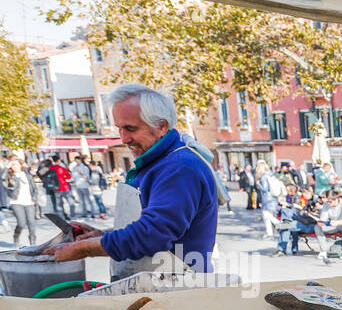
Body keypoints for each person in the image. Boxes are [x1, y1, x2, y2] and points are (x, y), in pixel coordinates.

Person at [45, 84, 219, 272]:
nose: (124, 138)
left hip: (180, 284)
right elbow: (146, 225)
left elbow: (153, 234)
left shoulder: (179, 167)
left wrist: (85, 248)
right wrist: (101, 236)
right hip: (157, 282)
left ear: (161, 126)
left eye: (130, 128)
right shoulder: (158, 162)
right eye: (119, 129)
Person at [5, 157, 39, 246]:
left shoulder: (27, 175)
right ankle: (16, 236)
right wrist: (7, 167)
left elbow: (34, 188)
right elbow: (2, 178)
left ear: (21, 165)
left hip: (29, 202)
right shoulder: (10, 176)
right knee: (21, 223)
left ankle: (32, 243)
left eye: (16, 164)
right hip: (16, 202)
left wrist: (34, 199)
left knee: (31, 222)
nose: (14, 166)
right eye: (13, 165)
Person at [313, 190, 342, 261]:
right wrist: (321, 222)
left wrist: (337, 222)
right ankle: (323, 251)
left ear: (337, 199)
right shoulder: (326, 204)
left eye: (330, 202)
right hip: (333, 225)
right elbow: (323, 219)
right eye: (328, 201)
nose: (328, 203)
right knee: (317, 227)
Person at [256, 160, 285, 239]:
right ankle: (269, 232)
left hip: (267, 198)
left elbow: (265, 188)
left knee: (266, 215)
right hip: (273, 197)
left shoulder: (263, 176)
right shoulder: (271, 174)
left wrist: (258, 184)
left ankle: (279, 225)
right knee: (267, 216)